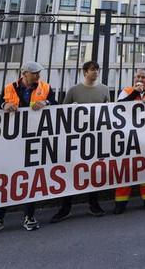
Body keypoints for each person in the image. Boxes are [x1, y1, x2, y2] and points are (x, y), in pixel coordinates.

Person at [0, 62, 55, 237]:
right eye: (34, 73)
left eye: (38, 73)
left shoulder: (45, 87)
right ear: (24, 73)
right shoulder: (9, 88)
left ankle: (29, 216)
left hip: (33, 137)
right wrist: (4, 106)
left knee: (30, 177)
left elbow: (54, 103)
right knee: (6, 178)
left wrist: (45, 102)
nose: (37, 76)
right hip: (11, 140)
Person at [50, 61, 110, 223]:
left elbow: (108, 112)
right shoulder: (74, 90)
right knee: (71, 170)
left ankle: (94, 203)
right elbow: (61, 113)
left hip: (96, 136)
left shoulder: (104, 90)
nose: (96, 72)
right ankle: (66, 206)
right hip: (76, 138)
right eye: (92, 69)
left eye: (97, 69)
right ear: (84, 72)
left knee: (94, 170)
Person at [114, 69, 145, 213]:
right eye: (138, 77)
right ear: (134, 79)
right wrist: (135, 93)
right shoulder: (126, 91)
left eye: (143, 77)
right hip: (128, 137)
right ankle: (120, 203)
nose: (140, 79)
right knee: (125, 169)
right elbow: (118, 107)